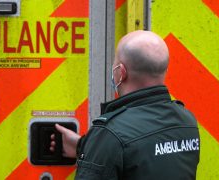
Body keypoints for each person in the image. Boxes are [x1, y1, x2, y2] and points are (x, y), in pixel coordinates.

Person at [50, 30, 200, 179]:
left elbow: (126, 145)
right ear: (165, 70)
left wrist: (98, 144)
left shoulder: (111, 133)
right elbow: (145, 154)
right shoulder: (187, 122)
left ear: (121, 72)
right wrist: (83, 146)